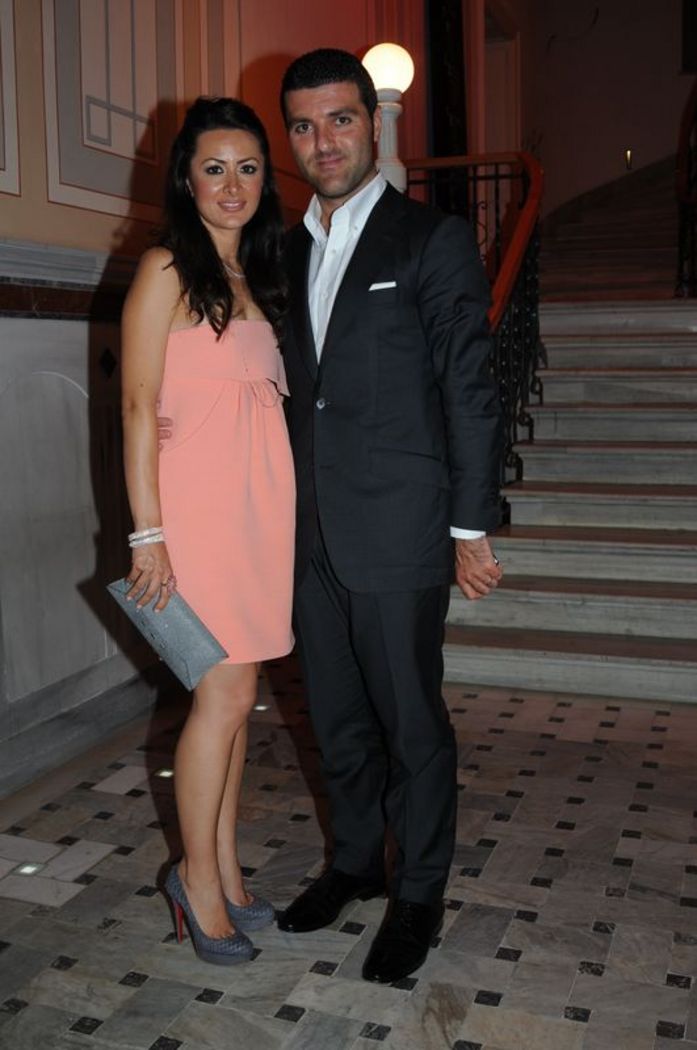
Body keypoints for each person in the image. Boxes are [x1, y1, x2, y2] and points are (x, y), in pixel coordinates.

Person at [275, 49, 504, 984]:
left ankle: (417, 893)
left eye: (339, 119)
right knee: (335, 718)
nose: (323, 141)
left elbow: (468, 387)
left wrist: (468, 524)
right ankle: (355, 864)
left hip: (400, 527)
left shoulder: (429, 239)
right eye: (303, 125)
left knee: (410, 724)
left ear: (371, 123)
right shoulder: (283, 249)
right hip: (307, 533)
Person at [121, 96, 295, 966]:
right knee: (220, 698)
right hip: (197, 518)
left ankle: (223, 869)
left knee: (237, 699)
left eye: (248, 168)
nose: (233, 185)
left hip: (261, 514)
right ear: (186, 179)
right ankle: (194, 883)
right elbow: (136, 404)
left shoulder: (257, 276)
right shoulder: (165, 267)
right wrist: (146, 536)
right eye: (215, 168)